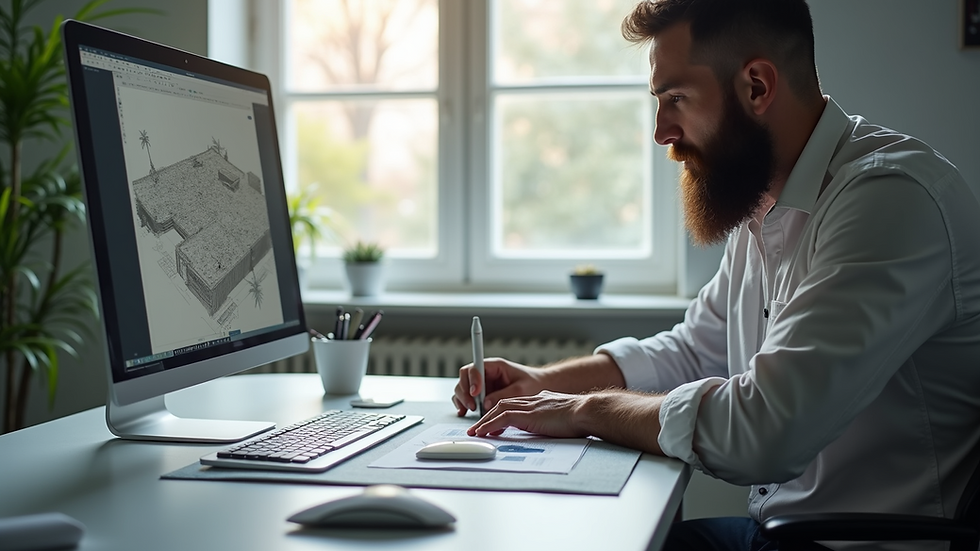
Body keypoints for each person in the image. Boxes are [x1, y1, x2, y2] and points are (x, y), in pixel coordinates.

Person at [451, 1, 980, 550]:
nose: (661, 132)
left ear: (756, 86)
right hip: (779, 532)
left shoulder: (888, 202)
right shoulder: (766, 203)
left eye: (676, 99)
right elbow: (692, 351)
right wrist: (546, 383)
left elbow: (765, 431)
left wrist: (586, 410)